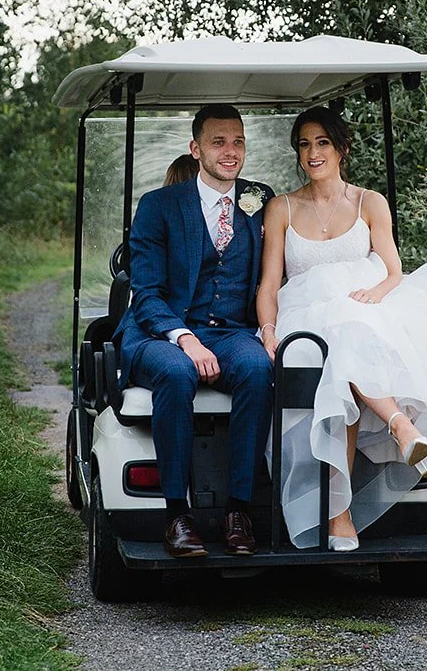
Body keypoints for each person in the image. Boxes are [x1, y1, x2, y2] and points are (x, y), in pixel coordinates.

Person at [257, 105, 427, 551]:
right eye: (304, 144)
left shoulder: (369, 202)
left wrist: (379, 293)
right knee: (341, 342)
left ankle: (339, 515)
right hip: (307, 314)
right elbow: (270, 284)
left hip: (367, 306)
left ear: (342, 149)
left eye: (323, 143)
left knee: (349, 344)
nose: (313, 153)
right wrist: (269, 330)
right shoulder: (281, 208)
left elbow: (393, 270)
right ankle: (398, 427)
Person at [119, 104, 277, 558]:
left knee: (254, 368)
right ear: (196, 149)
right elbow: (145, 292)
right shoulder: (158, 206)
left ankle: (238, 512)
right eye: (218, 142)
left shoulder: (259, 199)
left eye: (238, 141)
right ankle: (176, 515)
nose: (231, 152)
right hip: (159, 332)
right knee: (176, 373)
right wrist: (183, 338)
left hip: (230, 332)